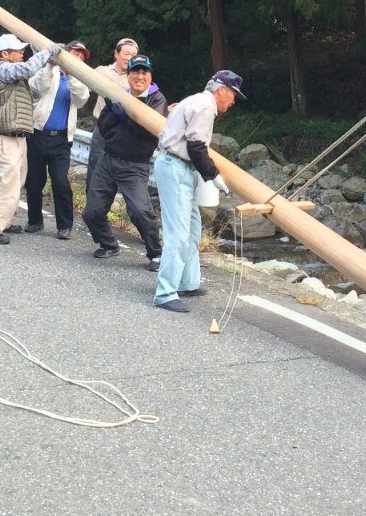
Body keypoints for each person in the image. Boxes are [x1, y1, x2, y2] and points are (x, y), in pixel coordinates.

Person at [152, 70, 244, 312]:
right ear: (221, 90)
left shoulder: (197, 101)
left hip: (179, 166)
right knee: (178, 233)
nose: (233, 101)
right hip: (175, 166)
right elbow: (196, 146)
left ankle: (187, 281)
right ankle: (165, 292)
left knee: (192, 228)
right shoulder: (204, 106)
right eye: (233, 94)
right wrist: (214, 176)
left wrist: (208, 174)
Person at [81, 54, 168, 269]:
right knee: (91, 212)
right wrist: (116, 117)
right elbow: (103, 126)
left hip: (134, 165)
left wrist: (126, 118)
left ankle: (155, 253)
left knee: (140, 211)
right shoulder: (117, 95)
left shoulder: (158, 100)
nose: (139, 76)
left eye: (144, 72)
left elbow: (150, 133)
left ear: (150, 75)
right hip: (108, 159)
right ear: (128, 75)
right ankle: (108, 244)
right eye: (135, 72)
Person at [0, 36, 61, 244]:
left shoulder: (15, 75)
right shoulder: (3, 68)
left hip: (18, 137)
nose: (22, 53)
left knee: (17, 183)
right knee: (9, 184)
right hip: (6, 137)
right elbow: (26, 69)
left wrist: (48, 65)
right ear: (5, 54)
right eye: (17, 50)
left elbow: (36, 90)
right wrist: (46, 52)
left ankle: (6, 221)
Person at [25, 40, 91, 238]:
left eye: (81, 56)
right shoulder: (48, 69)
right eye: (74, 53)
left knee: (61, 182)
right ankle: (35, 221)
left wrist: (71, 74)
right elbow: (36, 89)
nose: (77, 58)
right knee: (34, 181)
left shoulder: (81, 79)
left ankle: (65, 225)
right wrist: (49, 65)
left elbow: (81, 100)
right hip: (37, 134)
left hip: (61, 139)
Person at [87, 38, 139, 190]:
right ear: (116, 54)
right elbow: (81, 89)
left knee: (119, 173)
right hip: (102, 131)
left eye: (134, 55)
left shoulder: (137, 77)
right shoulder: (102, 72)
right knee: (95, 169)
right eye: (126, 53)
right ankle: (91, 210)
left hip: (125, 132)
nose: (130, 58)